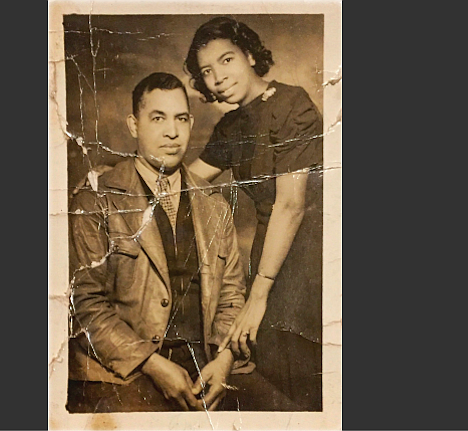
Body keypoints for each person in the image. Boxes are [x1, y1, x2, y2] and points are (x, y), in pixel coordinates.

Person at [67, 72, 299, 413]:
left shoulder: (215, 203)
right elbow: (83, 306)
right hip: (125, 372)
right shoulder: (96, 198)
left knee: (290, 416)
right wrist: (151, 364)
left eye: (181, 119)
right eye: (157, 118)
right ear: (134, 125)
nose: (172, 132)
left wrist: (223, 359)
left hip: (208, 365)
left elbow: (232, 295)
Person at [182, 17, 324, 410]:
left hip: (313, 252)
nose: (217, 78)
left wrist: (257, 297)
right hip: (270, 252)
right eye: (206, 71)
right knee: (273, 365)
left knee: (305, 370)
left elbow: (292, 206)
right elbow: (188, 181)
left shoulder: (292, 103)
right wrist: (121, 172)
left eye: (226, 60)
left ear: (248, 55)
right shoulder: (231, 127)